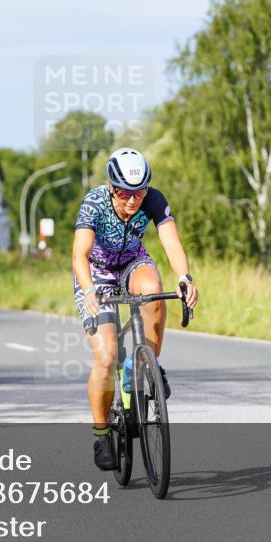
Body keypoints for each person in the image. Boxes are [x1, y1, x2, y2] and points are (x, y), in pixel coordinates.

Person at [72, 148, 198, 471]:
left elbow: (171, 242)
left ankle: (147, 365)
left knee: (154, 291)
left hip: (132, 263)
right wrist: (88, 291)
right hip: (97, 273)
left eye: (139, 191)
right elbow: (79, 255)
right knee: (107, 355)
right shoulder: (94, 202)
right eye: (126, 193)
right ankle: (101, 434)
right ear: (112, 187)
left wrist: (184, 277)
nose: (133, 200)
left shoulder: (153, 200)